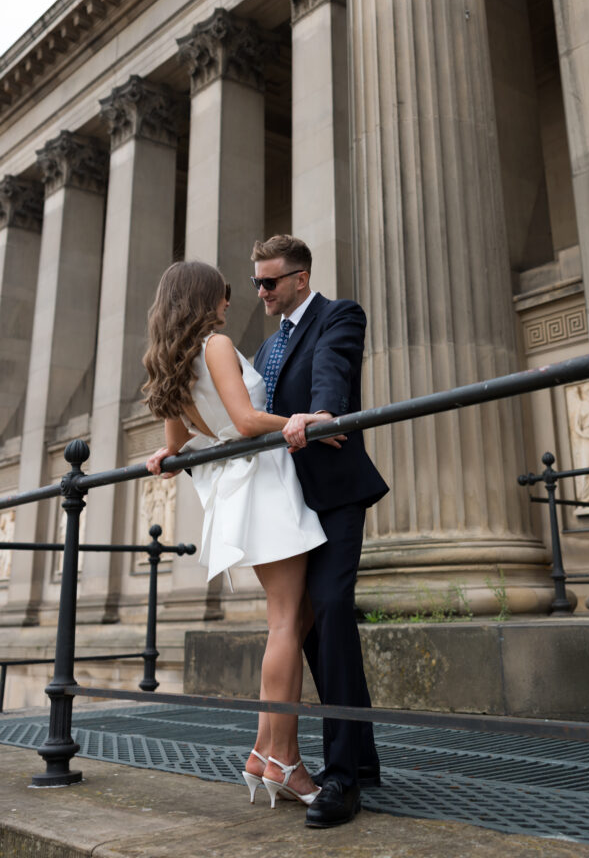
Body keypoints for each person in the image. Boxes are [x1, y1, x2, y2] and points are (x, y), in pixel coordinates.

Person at [143, 260, 340, 810]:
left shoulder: (175, 364)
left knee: (292, 619)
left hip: (244, 493)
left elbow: (182, 436)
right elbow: (246, 420)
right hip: (265, 487)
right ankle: (284, 762)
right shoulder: (216, 346)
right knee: (284, 623)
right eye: (223, 294)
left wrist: (168, 453)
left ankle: (265, 752)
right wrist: (306, 422)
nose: (231, 302)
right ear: (204, 299)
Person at [251, 234, 389, 829]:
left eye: (270, 282)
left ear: (299, 280)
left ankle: (340, 779)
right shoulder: (265, 347)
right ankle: (360, 756)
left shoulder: (339, 315)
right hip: (287, 504)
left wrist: (324, 412)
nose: (261, 291)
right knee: (309, 629)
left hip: (333, 495)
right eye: (257, 281)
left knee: (332, 607)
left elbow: (333, 370)